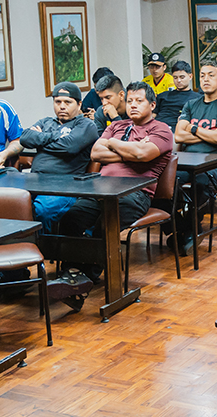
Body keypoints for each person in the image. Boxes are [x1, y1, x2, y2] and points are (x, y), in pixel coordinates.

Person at [61, 81, 173, 278]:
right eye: (129, 101)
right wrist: (131, 149)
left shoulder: (161, 129)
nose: (133, 105)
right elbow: (96, 153)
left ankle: (82, 278)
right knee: (70, 220)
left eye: (139, 101)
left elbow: (143, 155)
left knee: (104, 226)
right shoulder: (118, 126)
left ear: (152, 105)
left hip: (134, 194)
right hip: (102, 189)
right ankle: (71, 272)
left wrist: (113, 143)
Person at [174, 62, 217, 253]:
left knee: (200, 184)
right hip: (187, 160)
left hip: (215, 162)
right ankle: (184, 228)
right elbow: (179, 135)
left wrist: (193, 129)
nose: (205, 79)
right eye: (202, 75)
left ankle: (188, 230)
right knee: (167, 182)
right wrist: (209, 133)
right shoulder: (190, 105)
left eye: (211, 75)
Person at [19, 82, 100, 233]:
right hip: (34, 181)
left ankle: (43, 252)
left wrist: (40, 139)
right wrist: (54, 136)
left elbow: (69, 147)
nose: (62, 106)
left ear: (79, 104)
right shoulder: (46, 122)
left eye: (68, 102)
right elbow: (24, 138)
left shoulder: (86, 125)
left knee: (41, 211)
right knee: (9, 204)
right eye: (58, 102)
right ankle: (20, 250)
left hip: (64, 186)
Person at [154, 61, 200, 131]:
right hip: (157, 128)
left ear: (190, 76)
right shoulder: (163, 96)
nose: (178, 80)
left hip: (179, 131)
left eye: (182, 77)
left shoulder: (198, 98)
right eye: (175, 77)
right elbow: (152, 115)